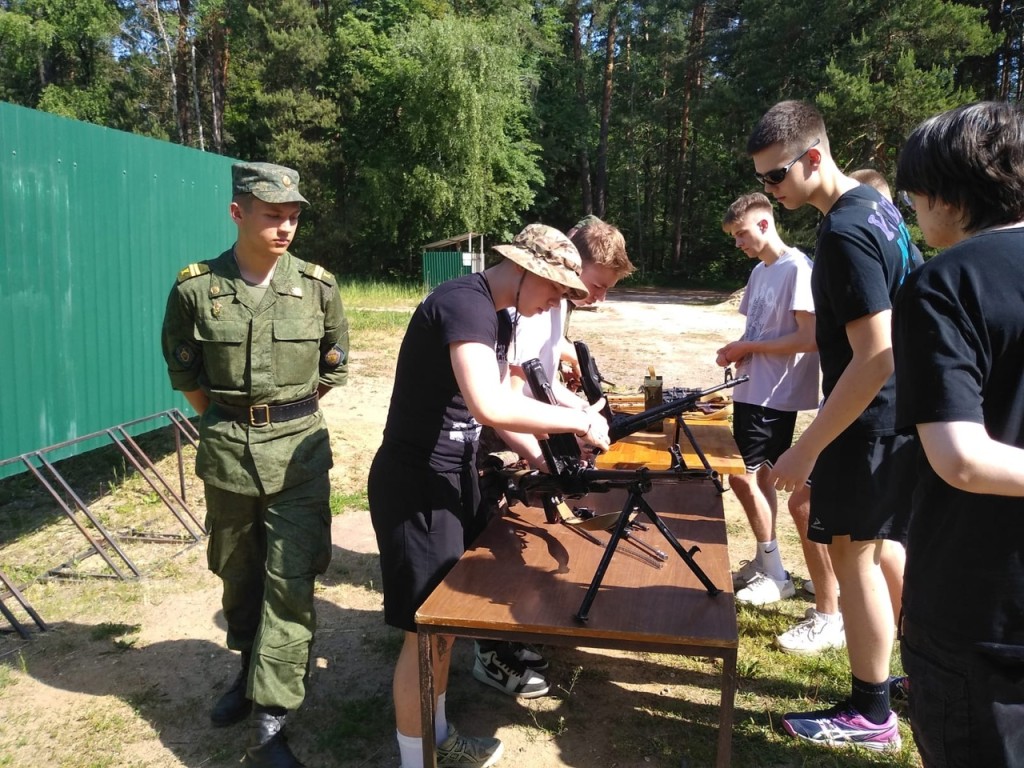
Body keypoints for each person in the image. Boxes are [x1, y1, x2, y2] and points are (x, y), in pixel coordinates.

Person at [367, 223, 611, 768]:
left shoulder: (498, 316)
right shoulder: (464, 304)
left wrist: (546, 459)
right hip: (416, 485)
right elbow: (489, 406)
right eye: (552, 291)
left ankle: (437, 735)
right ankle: (417, 759)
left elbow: (502, 403)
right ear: (526, 272)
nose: (553, 305)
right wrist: (574, 419)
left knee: (447, 623)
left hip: (454, 475)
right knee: (426, 632)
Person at [161, 161, 349, 768]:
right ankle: (247, 671)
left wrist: (283, 414)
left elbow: (332, 369)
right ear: (238, 212)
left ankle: (272, 719)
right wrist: (232, 421)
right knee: (237, 573)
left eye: (293, 216)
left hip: (298, 456)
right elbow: (185, 372)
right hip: (228, 456)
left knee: (290, 581)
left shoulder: (318, 286)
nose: (286, 227)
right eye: (273, 216)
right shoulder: (196, 288)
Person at [748, 100, 920, 751]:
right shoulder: (877, 208)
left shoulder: (845, 233)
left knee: (855, 559)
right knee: (874, 553)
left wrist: (807, 449)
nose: (770, 190)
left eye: (775, 177)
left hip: (867, 420)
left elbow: (876, 354)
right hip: (892, 416)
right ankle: (911, 679)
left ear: (812, 157)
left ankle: (871, 714)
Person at [893, 101, 1024, 768]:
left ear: (945, 193)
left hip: (978, 609)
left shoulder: (942, 284)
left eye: (914, 192)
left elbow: (962, 459)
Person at [471, 216, 635, 698]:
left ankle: (505, 635)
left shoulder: (554, 305)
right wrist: (547, 447)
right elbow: (507, 396)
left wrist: (576, 406)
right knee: (486, 546)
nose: (600, 297)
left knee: (508, 545)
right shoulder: (526, 305)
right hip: (489, 439)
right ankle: (489, 652)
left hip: (520, 431)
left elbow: (541, 375)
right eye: (598, 284)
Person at [717, 193, 844, 654]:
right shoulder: (759, 271)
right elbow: (759, 331)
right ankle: (766, 559)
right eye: (734, 238)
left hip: (776, 394)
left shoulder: (798, 269)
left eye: (742, 234)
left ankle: (774, 571)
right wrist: (738, 348)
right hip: (752, 388)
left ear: (766, 223)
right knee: (758, 478)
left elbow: (807, 338)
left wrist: (747, 350)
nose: (740, 245)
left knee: (743, 478)